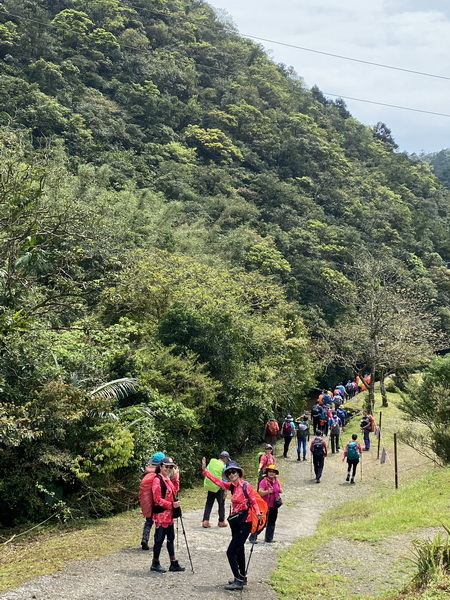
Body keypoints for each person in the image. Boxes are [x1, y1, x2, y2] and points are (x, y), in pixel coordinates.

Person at [201, 457, 263, 591]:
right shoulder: (231, 486)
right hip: (235, 522)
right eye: (229, 472)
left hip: (245, 522)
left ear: (239, 473)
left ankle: (238, 580)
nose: (231, 474)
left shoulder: (246, 485)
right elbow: (217, 481)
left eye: (234, 471)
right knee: (239, 550)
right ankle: (242, 577)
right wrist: (205, 471)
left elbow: (253, 501)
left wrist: (258, 513)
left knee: (230, 552)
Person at [150, 457, 185, 573]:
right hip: (161, 515)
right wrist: (171, 505)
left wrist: (176, 477)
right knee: (159, 539)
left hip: (169, 516)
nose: (168, 469)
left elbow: (174, 491)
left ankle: (173, 562)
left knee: (171, 538)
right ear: (161, 466)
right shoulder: (157, 480)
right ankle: (155, 563)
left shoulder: (167, 479)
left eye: (171, 467)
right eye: (166, 466)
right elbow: (157, 499)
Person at [139, 451, 165, 550]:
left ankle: (145, 539)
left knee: (148, 521)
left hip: (148, 501)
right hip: (157, 501)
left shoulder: (146, 472)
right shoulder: (160, 474)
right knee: (159, 521)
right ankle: (157, 541)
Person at [202, 451, 230, 528]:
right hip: (219, 488)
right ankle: (221, 521)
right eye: (227, 459)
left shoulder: (212, 462)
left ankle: (205, 521)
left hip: (210, 486)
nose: (227, 461)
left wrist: (203, 466)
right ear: (224, 458)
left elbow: (205, 472)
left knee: (209, 503)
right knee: (221, 504)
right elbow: (224, 479)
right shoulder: (223, 466)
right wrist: (225, 490)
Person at [255, 464, 283, 543]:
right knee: (262, 522)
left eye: (273, 472)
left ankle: (269, 539)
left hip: (274, 505)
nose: (271, 473)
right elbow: (260, 492)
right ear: (267, 472)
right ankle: (253, 536)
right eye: (270, 471)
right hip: (265, 506)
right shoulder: (264, 481)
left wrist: (280, 490)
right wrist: (267, 492)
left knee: (272, 522)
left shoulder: (276, 480)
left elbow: (279, 488)